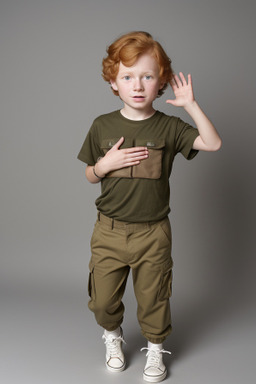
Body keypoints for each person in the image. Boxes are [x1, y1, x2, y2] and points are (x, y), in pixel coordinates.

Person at [77, 31, 221, 383]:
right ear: (113, 81)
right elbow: (89, 175)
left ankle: (155, 349)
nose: (137, 85)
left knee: (154, 298)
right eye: (127, 76)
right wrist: (103, 167)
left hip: (153, 233)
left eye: (147, 76)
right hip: (108, 231)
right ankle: (113, 337)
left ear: (161, 82)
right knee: (101, 300)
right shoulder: (102, 125)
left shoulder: (169, 127)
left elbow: (212, 143)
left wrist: (190, 104)